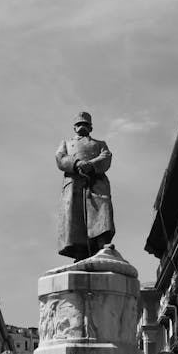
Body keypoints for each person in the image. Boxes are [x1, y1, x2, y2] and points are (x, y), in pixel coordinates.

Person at [55, 111, 115, 261]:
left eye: (85, 124)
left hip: (96, 182)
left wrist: (91, 165)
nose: (82, 126)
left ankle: (102, 242)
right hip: (74, 182)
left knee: (101, 208)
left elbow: (106, 156)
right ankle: (79, 250)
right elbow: (60, 157)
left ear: (91, 128)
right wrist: (76, 163)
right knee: (75, 216)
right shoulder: (66, 144)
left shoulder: (100, 144)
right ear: (74, 128)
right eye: (79, 124)